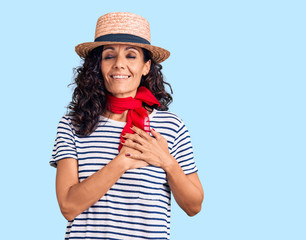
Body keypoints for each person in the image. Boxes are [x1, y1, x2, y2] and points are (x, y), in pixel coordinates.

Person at [50, 12, 203, 240]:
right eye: (109, 56)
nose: (119, 64)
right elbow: (68, 207)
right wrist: (121, 162)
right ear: (97, 66)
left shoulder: (172, 126)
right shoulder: (72, 125)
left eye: (131, 56)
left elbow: (194, 206)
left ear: (146, 67)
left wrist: (167, 162)